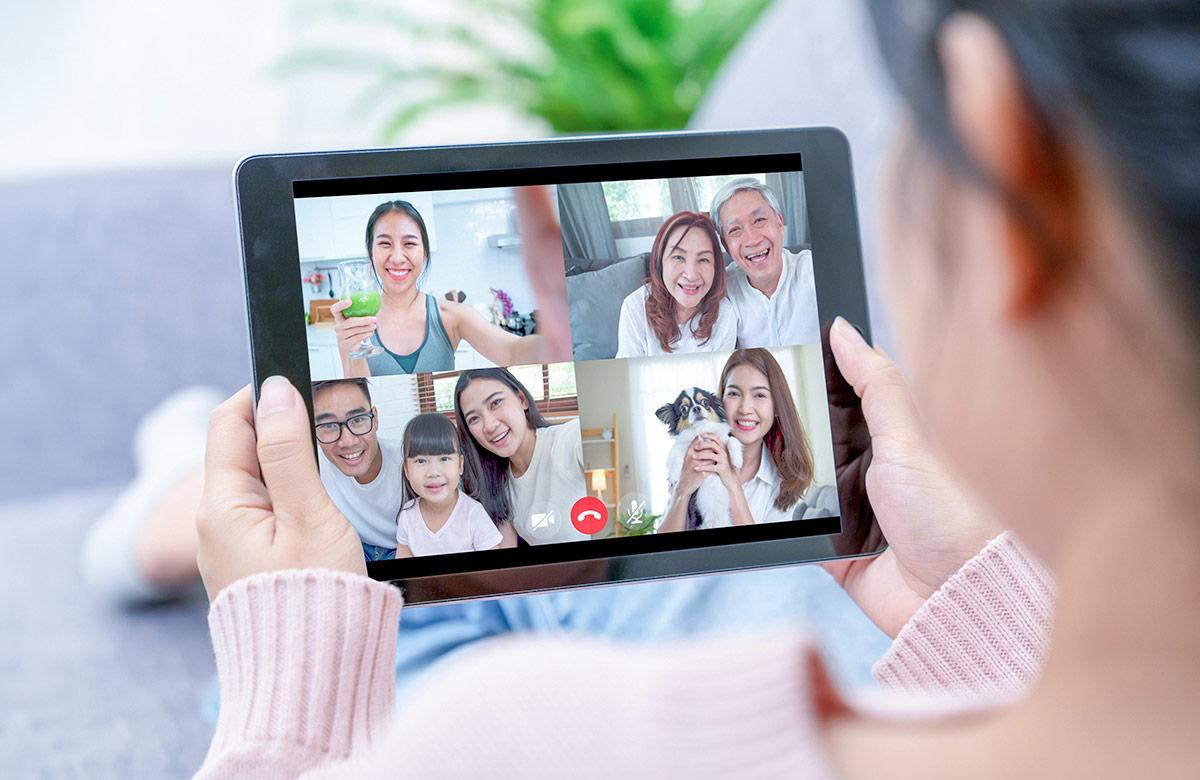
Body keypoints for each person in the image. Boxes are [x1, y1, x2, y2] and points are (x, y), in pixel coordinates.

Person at [193, 0, 1200, 773]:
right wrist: (990, 619)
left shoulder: (520, 740)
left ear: (1006, 166)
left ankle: (180, 484)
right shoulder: (627, 333)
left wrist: (283, 695)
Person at [332, 199, 571, 376]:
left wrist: (560, 337)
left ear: (424, 252)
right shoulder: (354, 323)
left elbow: (512, 350)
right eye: (384, 244)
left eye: (409, 244)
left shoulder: (451, 315)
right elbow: (358, 389)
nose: (396, 257)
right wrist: (350, 345)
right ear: (371, 253)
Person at [658, 348, 836, 531]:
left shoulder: (785, 483)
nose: (745, 408)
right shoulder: (694, 455)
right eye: (734, 394)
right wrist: (682, 491)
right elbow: (662, 553)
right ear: (720, 402)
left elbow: (764, 554)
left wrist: (733, 484)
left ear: (776, 406)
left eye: (759, 395)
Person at [454, 367, 589, 544]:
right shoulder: (495, 483)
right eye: (474, 418)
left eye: (495, 403)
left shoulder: (569, 439)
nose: (489, 425)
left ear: (522, 399)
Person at [710, 178, 820, 348]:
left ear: (779, 223)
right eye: (735, 230)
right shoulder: (721, 291)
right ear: (725, 245)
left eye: (759, 220)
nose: (752, 240)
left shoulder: (815, 271)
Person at [615, 211, 739, 358]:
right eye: (678, 257)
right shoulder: (635, 307)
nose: (691, 275)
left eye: (703, 259)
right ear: (660, 261)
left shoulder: (724, 313)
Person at [394, 413, 514, 557]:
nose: (433, 472)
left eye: (444, 459)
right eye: (420, 461)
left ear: (460, 465)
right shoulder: (408, 514)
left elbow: (494, 570)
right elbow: (403, 557)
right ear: (406, 470)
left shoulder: (473, 514)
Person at [311, 378, 403, 562]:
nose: (348, 442)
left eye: (358, 420)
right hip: (355, 551)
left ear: (375, 419)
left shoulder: (408, 462)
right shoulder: (312, 470)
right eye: (328, 426)